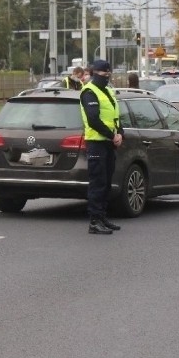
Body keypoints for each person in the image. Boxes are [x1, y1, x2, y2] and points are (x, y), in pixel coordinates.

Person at [79, 59, 124, 234]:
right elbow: (93, 120)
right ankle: (94, 221)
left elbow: (115, 117)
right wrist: (113, 135)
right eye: (104, 74)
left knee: (106, 183)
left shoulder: (108, 92)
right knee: (97, 182)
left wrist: (120, 133)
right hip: (96, 143)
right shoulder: (89, 92)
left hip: (108, 144)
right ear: (95, 73)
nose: (107, 77)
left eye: (108, 74)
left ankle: (103, 217)